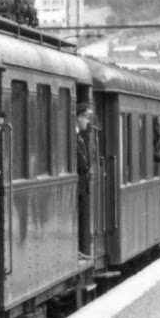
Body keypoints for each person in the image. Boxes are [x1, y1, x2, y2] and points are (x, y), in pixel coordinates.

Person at [76, 105, 93, 257]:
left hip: (82, 185)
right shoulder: (75, 136)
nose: (88, 121)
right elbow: (82, 162)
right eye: (86, 117)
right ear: (79, 117)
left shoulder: (80, 136)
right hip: (79, 184)